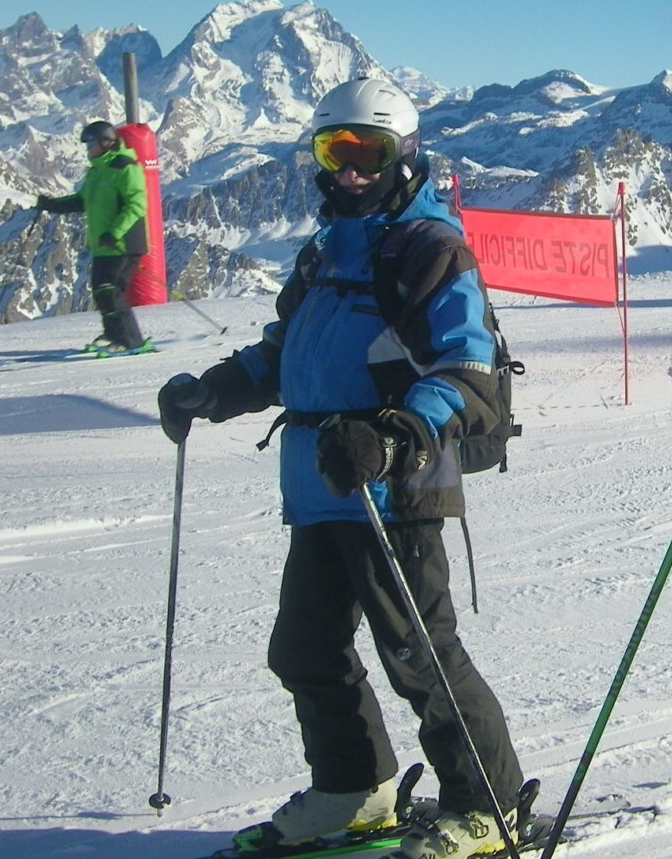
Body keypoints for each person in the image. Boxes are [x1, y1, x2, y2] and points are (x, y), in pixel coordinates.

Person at [157, 77, 524, 859]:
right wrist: (215, 391)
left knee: (419, 656)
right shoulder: (325, 250)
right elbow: (283, 352)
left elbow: (467, 367)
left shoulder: (430, 248)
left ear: (405, 155)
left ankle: (487, 806)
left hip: (398, 489)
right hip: (323, 486)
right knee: (304, 651)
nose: (351, 170)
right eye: (334, 151)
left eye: (369, 152)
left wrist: (393, 436)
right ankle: (354, 789)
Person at [35, 120, 150, 353]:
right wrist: (52, 205)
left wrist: (115, 232)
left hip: (123, 243)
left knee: (110, 290)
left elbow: (137, 204)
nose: (88, 149)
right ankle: (113, 335)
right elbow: (82, 200)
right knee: (101, 292)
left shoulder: (125, 166)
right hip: (104, 245)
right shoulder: (97, 170)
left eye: (91, 144)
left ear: (106, 142)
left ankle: (131, 342)